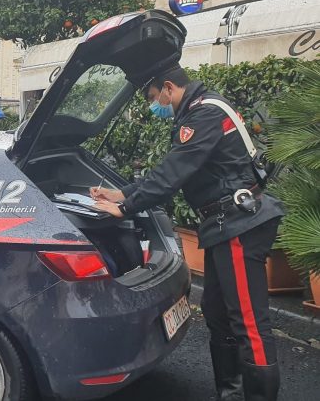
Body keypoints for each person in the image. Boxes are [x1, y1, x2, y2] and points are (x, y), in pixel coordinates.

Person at [91, 66, 284, 401]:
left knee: (249, 322)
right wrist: (122, 194)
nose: (155, 106)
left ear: (168, 88)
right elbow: (176, 168)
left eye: (154, 98)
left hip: (239, 224)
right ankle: (231, 392)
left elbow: (173, 173)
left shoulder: (204, 113)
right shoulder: (202, 109)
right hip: (226, 225)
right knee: (217, 312)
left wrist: (124, 208)